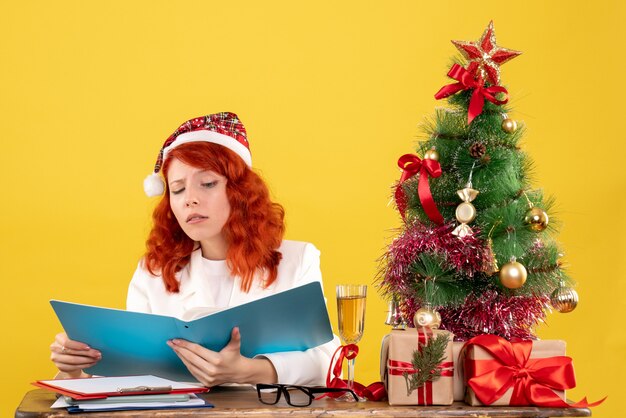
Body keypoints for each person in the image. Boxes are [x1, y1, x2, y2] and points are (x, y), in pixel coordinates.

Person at [50, 112, 340, 386]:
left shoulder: (297, 259)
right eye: (177, 189)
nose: (190, 199)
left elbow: (328, 359)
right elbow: (131, 375)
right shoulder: (152, 273)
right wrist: (76, 368)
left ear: (240, 192)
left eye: (208, 183)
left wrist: (248, 371)